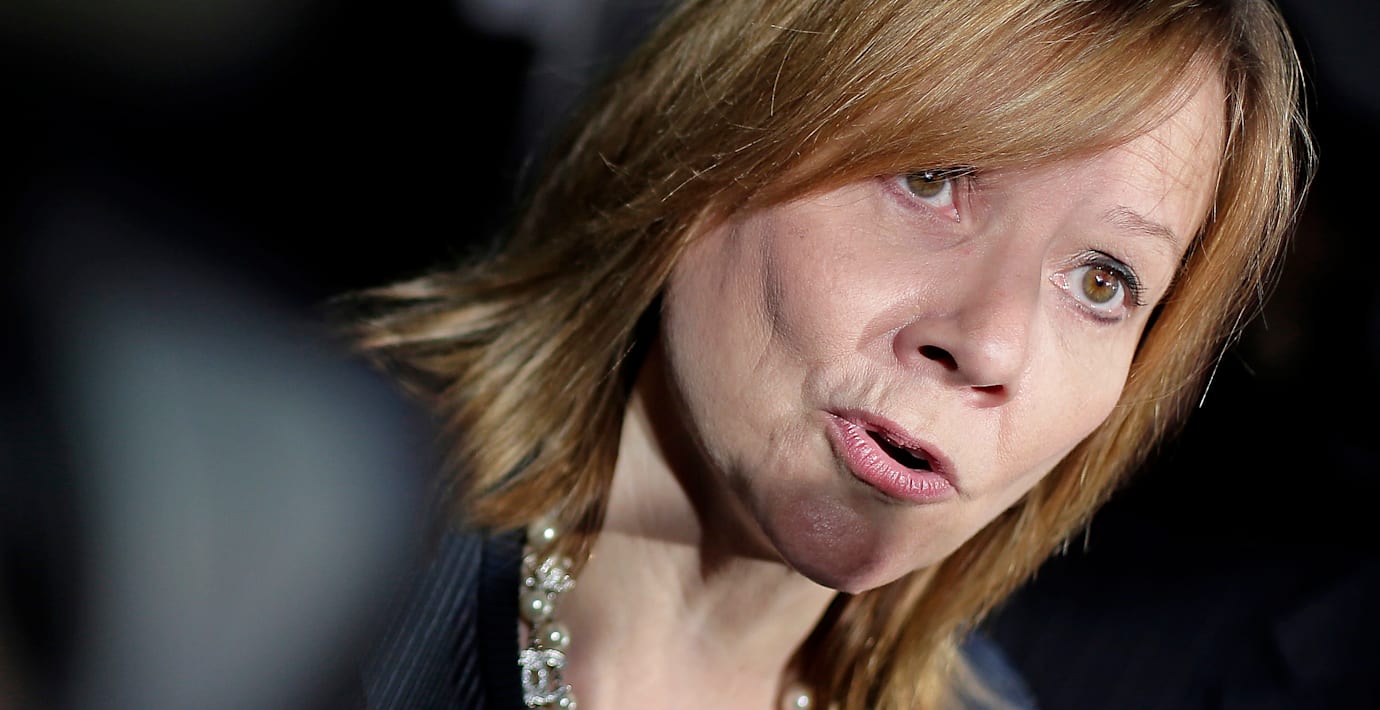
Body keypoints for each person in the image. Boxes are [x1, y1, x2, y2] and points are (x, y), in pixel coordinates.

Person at [343, 0, 1313, 708]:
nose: (990, 343)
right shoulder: (312, 520)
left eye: (1102, 280)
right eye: (930, 179)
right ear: (716, 134)